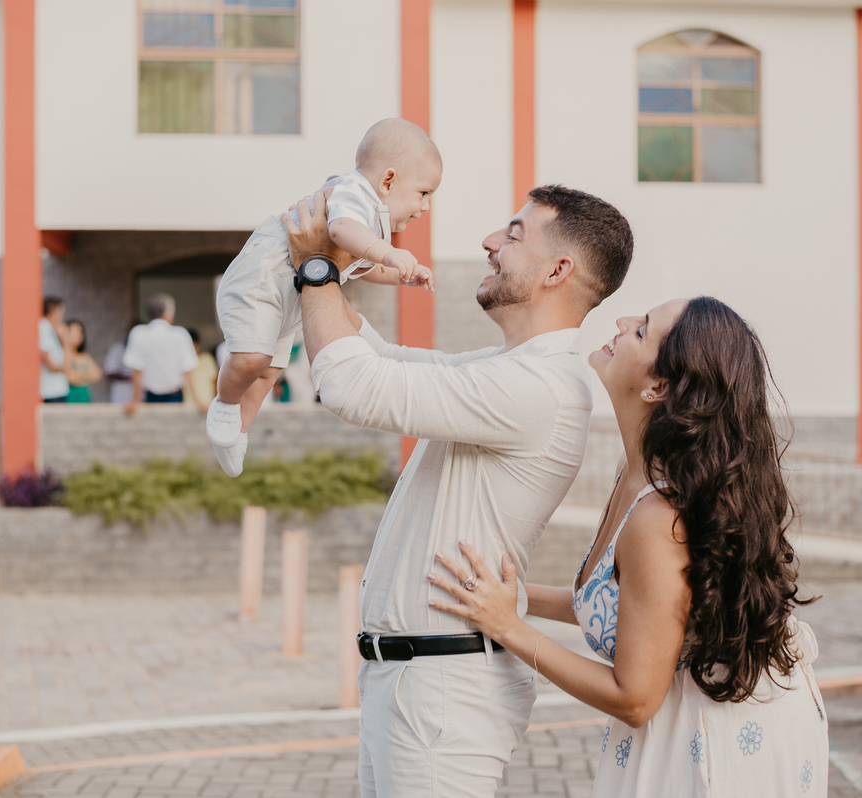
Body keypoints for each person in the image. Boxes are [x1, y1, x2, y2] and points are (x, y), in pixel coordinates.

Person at [284, 184, 633, 796]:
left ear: (557, 271)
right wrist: (329, 267)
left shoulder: (539, 387)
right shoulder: (510, 370)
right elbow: (379, 356)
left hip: (442, 688)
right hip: (421, 679)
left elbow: (352, 386)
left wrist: (315, 271)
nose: (490, 242)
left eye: (514, 234)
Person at [427, 297, 829, 797]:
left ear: (658, 387)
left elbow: (635, 698)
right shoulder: (635, 471)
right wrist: (512, 597)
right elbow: (631, 607)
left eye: (640, 330)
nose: (621, 322)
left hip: (717, 739)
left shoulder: (659, 518)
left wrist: (508, 627)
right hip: (694, 721)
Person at [207, 118, 441, 478]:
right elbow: (341, 230)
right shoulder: (353, 194)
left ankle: (237, 430)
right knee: (253, 358)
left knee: (270, 371)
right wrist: (389, 252)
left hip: (289, 296)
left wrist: (400, 275)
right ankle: (225, 403)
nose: (425, 207)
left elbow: (360, 266)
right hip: (261, 280)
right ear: (388, 180)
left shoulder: (370, 226)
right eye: (423, 193)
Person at [123, 294, 201, 415]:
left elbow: (136, 371)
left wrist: (135, 400)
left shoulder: (138, 333)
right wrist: (198, 401)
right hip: (175, 396)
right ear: (168, 313)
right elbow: (188, 371)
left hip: (149, 397)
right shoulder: (181, 334)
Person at [39, 296, 71, 404]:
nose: (62, 316)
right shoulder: (43, 328)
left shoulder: (50, 329)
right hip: (51, 391)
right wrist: (66, 341)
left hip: (56, 389)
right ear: (53, 311)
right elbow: (52, 365)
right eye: (61, 312)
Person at [64, 319, 103, 403]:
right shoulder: (63, 355)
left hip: (84, 395)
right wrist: (86, 375)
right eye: (72, 332)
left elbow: (97, 374)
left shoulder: (84, 356)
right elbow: (70, 378)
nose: (76, 335)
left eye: (79, 332)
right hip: (69, 396)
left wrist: (77, 375)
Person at [104, 320, 141, 404]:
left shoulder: (144, 351)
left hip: (141, 398)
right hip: (120, 396)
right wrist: (133, 377)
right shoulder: (117, 349)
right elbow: (110, 373)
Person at [182, 328, 218, 409]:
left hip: (208, 405)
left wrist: (217, 403)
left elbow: (214, 382)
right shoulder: (182, 363)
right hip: (188, 406)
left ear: (198, 345)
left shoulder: (207, 359)